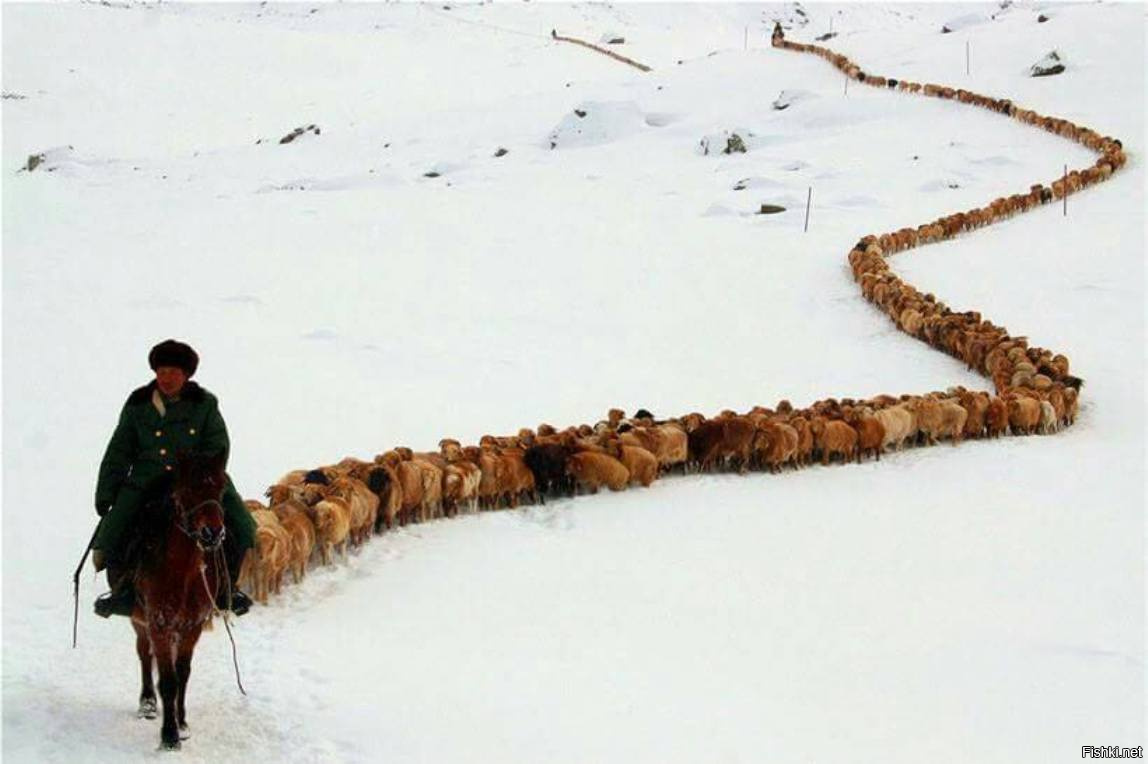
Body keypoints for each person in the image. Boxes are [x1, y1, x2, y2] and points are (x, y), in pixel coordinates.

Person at [93, 339, 255, 618]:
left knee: (243, 524)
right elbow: (119, 449)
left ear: (186, 375)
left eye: (174, 372)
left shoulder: (204, 404)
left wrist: (201, 473)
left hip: (197, 481)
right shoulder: (138, 404)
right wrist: (108, 492)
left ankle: (227, 589)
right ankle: (123, 591)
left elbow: (218, 444)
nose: (166, 378)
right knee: (113, 528)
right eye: (162, 372)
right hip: (147, 481)